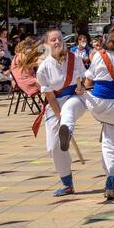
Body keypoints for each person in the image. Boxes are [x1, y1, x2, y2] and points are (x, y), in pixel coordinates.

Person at [70, 27, 114, 201]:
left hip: (97, 103)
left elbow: (88, 80)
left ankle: (67, 125)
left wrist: (82, 88)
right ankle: (111, 180)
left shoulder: (99, 56)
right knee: (113, 145)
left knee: (77, 98)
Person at [34, 30, 82, 197]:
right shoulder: (43, 67)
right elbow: (50, 97)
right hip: (55, 104)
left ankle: (66, 127)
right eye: (53, 40)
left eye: (60, 39)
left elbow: (83, 81)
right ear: (47, 44)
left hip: (76, 100)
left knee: (70, 110)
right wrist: (59, 115)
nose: (57, 42)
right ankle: (67, 183)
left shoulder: (75, 59)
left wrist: (81, 86)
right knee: (53, 147)